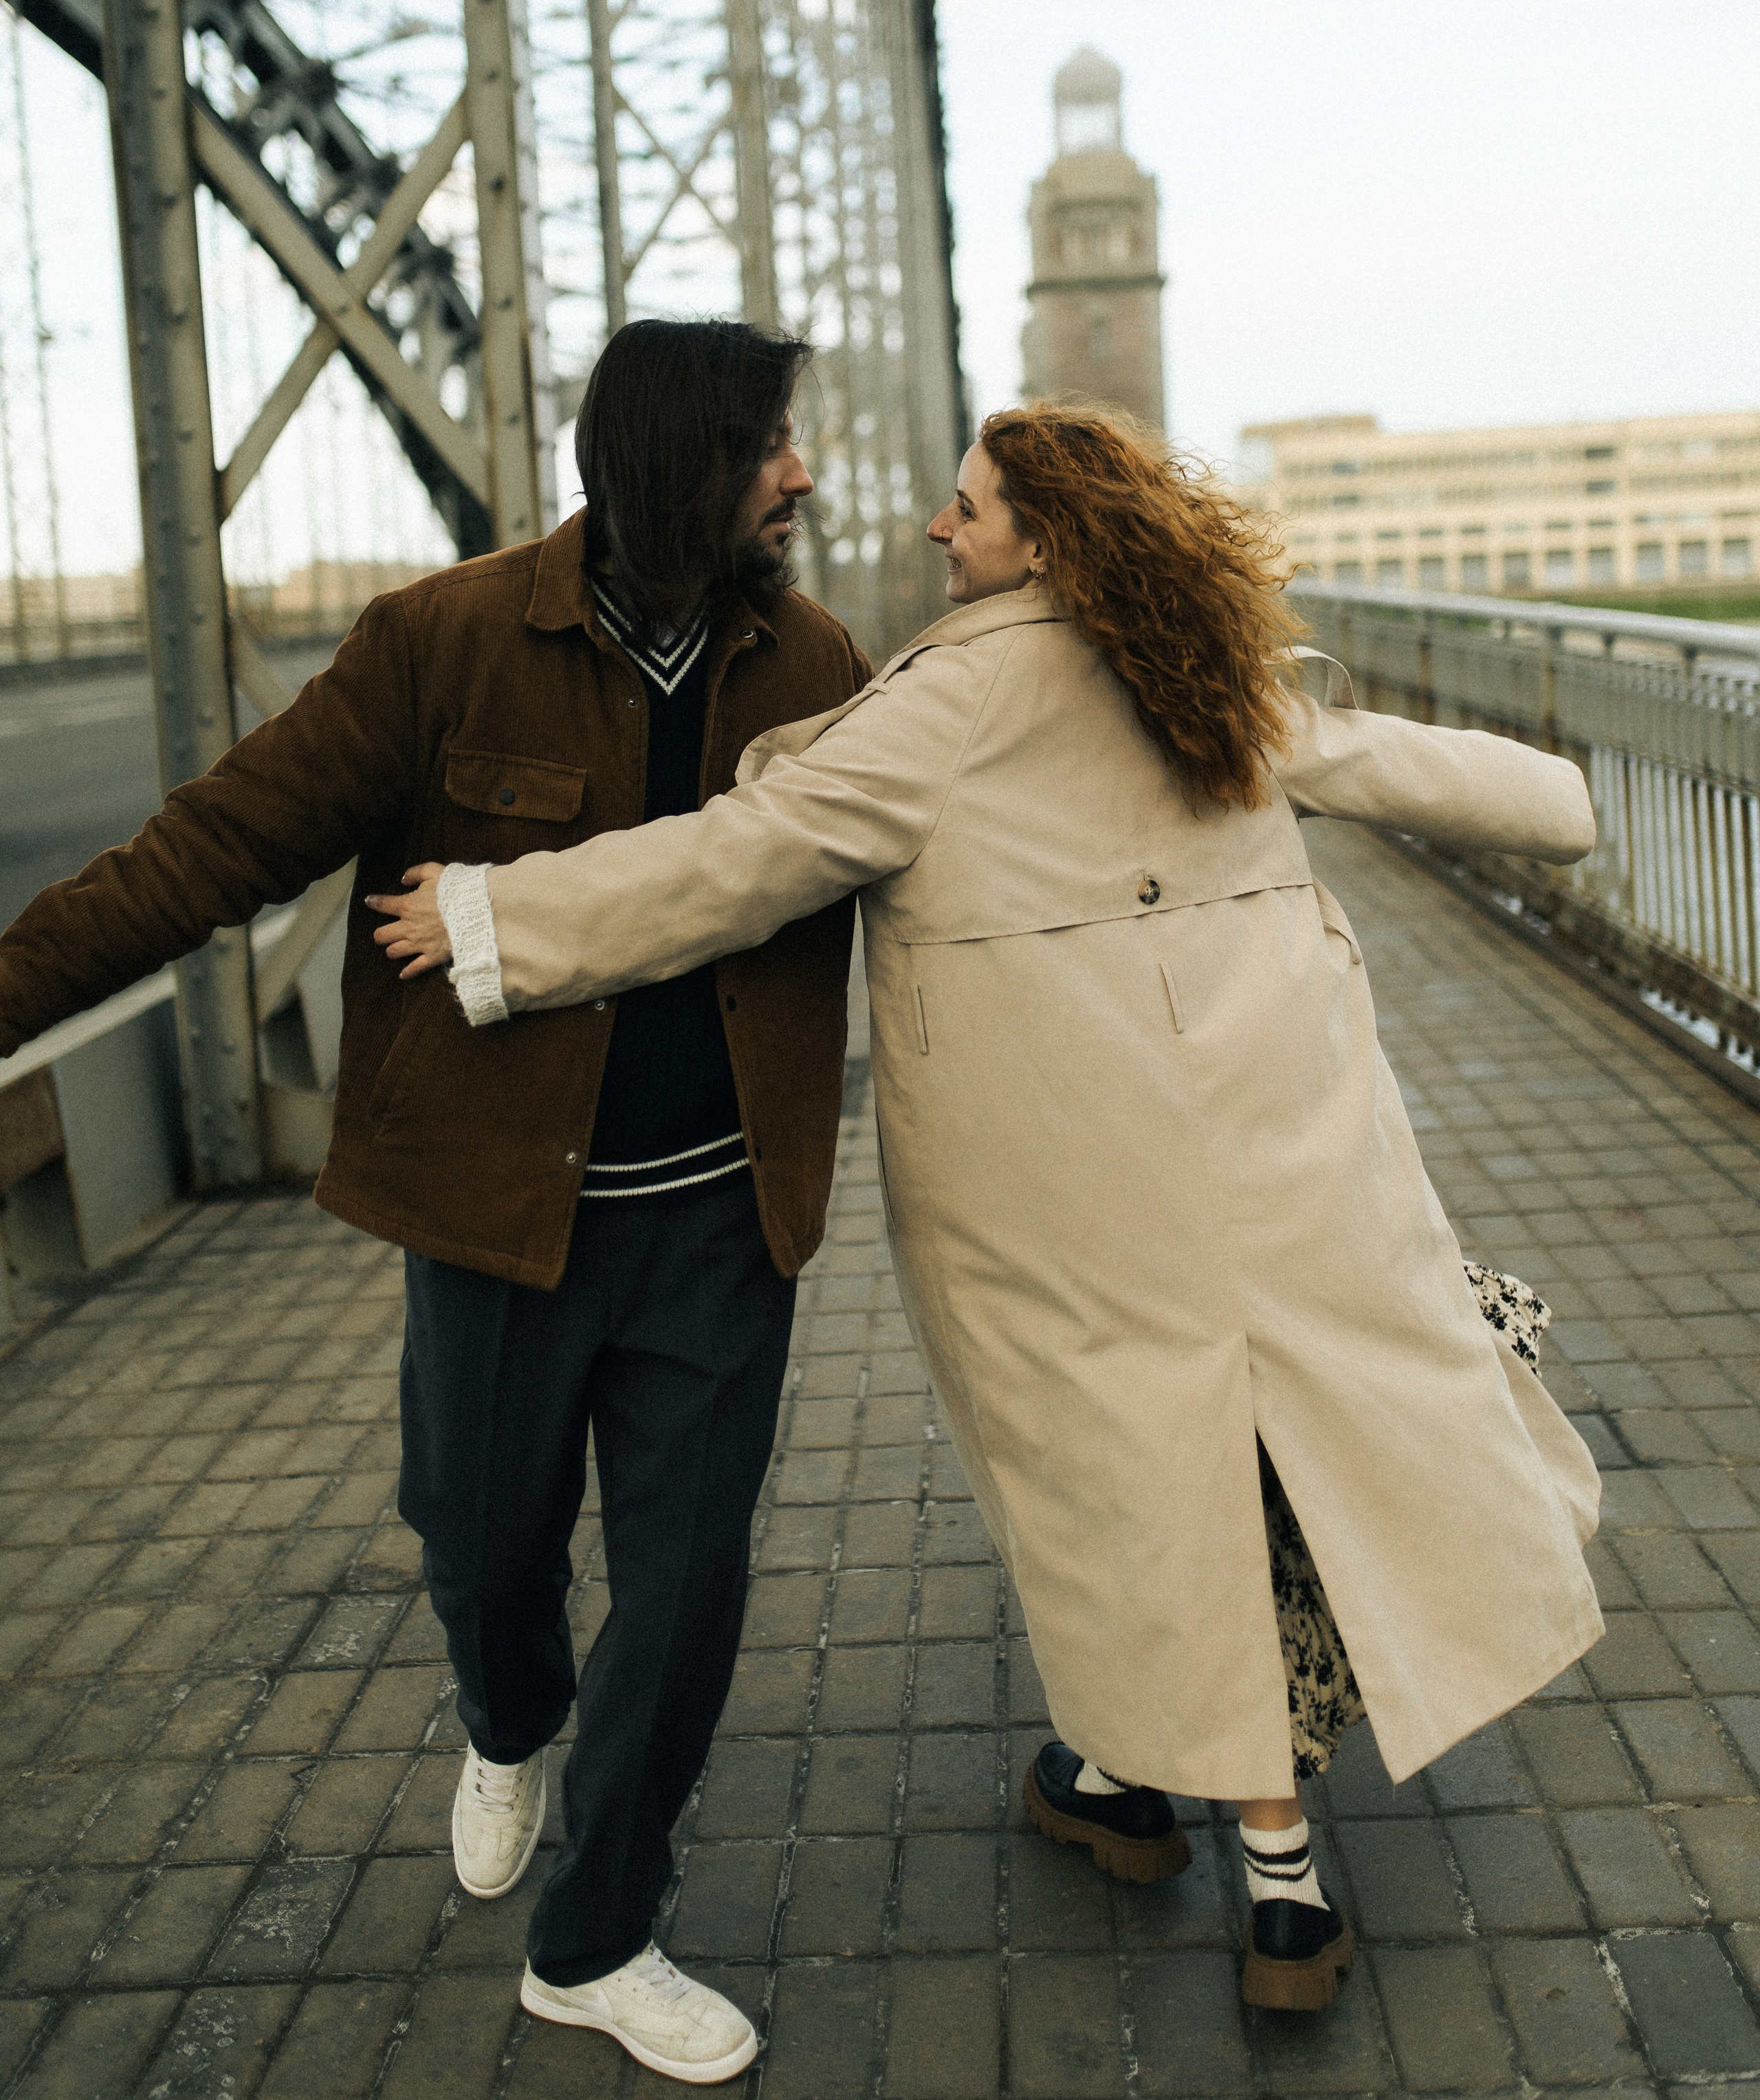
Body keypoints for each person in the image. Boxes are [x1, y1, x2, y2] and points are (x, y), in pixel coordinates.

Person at [371, 401, 1605, 2018]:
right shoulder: (1184, 664)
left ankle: (1276, 1874)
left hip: (1069, 1194)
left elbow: (741, 859)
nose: (934, 534)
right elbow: (1383, 760)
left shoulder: (949, 701)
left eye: (965, 514)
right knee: (1274, 1462)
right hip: (1285, 1150)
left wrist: (494, 920)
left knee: (1133, 1491)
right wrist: (1573, 800)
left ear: (1041, 540)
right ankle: (1126, 1782)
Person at [0, 319, 873, 2085]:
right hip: (493, 1216)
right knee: (480, 1548)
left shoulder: (822, 668)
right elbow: (212, 850)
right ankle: (506, 1719)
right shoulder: (443, 643)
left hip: (718, 1220)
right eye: (773, 445)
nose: (802, 475)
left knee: (688, 1591)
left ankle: (597, 1935)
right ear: (681, 467)